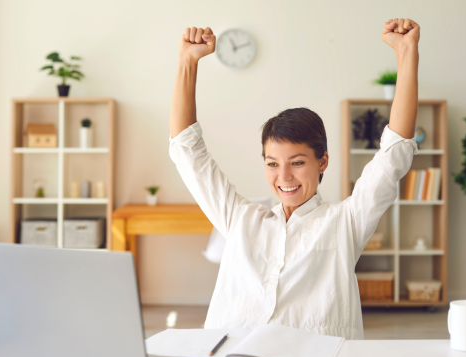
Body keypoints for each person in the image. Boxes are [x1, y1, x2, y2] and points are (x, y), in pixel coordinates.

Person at [169, 19, 419, 339]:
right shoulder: (241, 219)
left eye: (297, 162)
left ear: (322, 162)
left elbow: (395, 153)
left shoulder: (345, 221)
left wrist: (407, 52)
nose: (283, 176)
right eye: (272, 163)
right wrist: (187, 62)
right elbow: (187, 152)